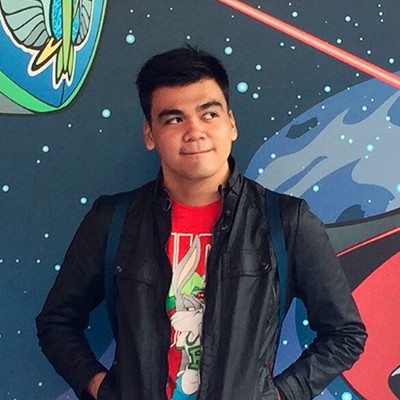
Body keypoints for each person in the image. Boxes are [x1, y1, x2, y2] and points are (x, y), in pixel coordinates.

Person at [36, 45, 367, 400]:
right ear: (150, 135)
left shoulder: (285, 221)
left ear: (231, 124)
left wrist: (281, 395)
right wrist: (101, 387)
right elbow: (56, 322)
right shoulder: (112, 220)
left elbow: (345, 334)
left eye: (208, 114)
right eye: (174, 119)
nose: (194, 131)